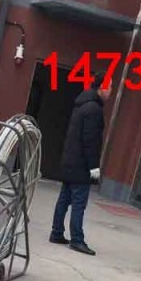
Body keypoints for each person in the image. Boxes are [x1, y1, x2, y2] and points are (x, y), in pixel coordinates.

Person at [49, 74, 112, 256]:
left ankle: (56, 233)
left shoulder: (81, 104)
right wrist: (94, 168)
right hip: (81, 165)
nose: (111, 91)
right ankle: (77, 240)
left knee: (64, 199)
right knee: (79, 203)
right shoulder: (94, 109)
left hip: (70, 161)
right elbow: (90, 141)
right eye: (109, 87)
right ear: (101, 88)